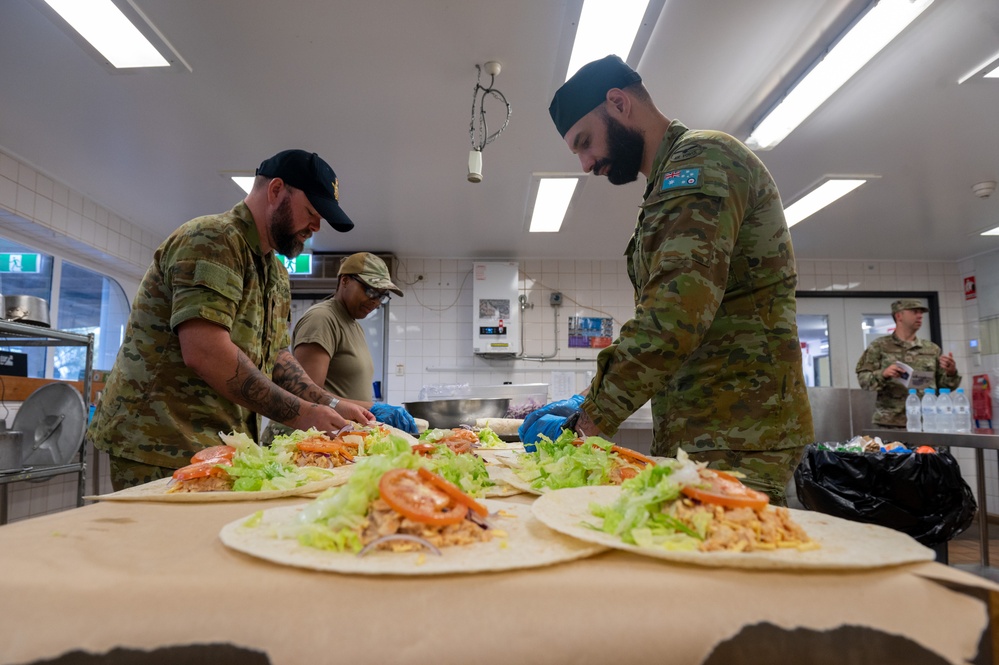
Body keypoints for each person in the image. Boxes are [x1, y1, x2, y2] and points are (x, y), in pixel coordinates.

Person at [521, 55, 814, 504]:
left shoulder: (701, 160)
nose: (584, 163)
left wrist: (587, 422)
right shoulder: (666, 183)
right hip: (706, 428)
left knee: (722, 565)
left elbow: (674, 316)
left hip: (736, 432)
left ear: (618, 104)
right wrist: (585, 397)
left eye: (584, 142)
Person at [88, 149, 375, 490]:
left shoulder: (274, 272)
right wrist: (302, 414)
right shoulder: (213, 239)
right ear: (276, 191)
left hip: (221, 443)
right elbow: (205, 351)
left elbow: (278, 357)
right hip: (160, 438)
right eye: (312, 212)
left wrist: (329, 402)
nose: (315, 227)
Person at [261, 252, 417, 442]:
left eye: (382, 296)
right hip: (303, 441)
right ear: (344, 281)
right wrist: (370, 408)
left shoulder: (354, 325)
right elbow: (305, 394)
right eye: (371, 290)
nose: (376, 301)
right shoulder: (322, 319)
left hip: (333, 439)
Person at [855, 298, 961, 429]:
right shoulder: (879, 346)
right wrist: (884, 374)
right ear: (899, 315)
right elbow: (864, 382)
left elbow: (944, 387)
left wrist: (951, 373)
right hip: (890, 424)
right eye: (914, 312)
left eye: (921, 313)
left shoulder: (932, 349)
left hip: (927, 422)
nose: (920, 316)